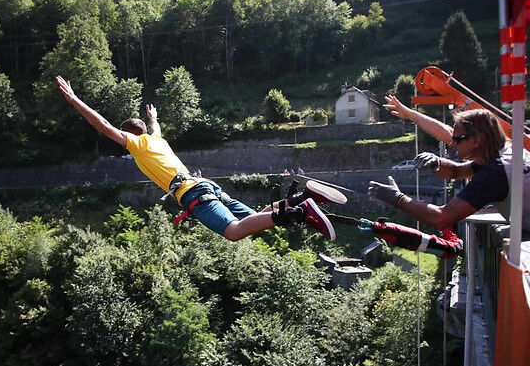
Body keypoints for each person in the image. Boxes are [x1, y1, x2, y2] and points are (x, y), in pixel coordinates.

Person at [55, 75, 347, 241]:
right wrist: (153, 117)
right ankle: (300, 199)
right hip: (205, 186)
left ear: (128, 134)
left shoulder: (136, 144)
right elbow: (154, 126)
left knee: (234, 232)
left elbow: (103, 126)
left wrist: (74, 100)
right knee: (258, 218)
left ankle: (299, 211)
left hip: (194, 194)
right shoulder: (156, 137)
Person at [368, 94, 530, 231]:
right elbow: (457, 172)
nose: (452, 144)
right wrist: (437, 163)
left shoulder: (494, 174)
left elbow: (442, 218)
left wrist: (397, 198)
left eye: (457, 140)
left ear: (477, 140)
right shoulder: (505, 153)